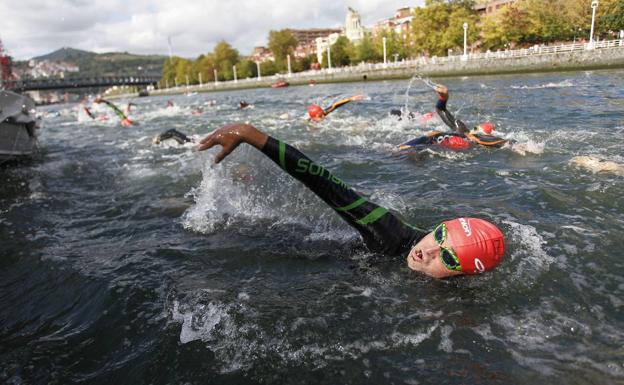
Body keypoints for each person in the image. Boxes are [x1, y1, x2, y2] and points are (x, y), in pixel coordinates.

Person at [197, 123, 506, 279]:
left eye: (448, 259)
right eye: (438, 235)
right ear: (438, 226)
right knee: (231, 229)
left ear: (461, 277)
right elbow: (323, 182)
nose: (426, 251)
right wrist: (251, 134)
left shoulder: (456, 288)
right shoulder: (389, 234)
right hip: (303, 247)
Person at [398, 85, 510, 151]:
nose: (475, 131)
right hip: (427, 142)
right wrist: (444, 96)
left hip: (429, 145)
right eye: (476, 128)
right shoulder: (462, 129)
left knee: (400, 152)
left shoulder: (473, 137)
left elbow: (496, 142)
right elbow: (440, 110)